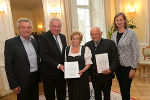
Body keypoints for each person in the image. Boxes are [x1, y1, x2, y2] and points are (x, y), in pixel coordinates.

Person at [4, 18, 40, 100]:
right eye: (23, 27)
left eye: (28, 27)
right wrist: (14, 85)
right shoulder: (10, 43)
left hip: (34, 77)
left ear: (31, 29)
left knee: (35, 97)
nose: (26, 30)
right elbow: (8, 66)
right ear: (18, 29)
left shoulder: (34, 41)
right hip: (21, 80)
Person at [85, 27, 119, 100]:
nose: (94, 36)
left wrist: (110, 70)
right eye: (92, 34)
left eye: (96, 34)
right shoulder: (87, 45)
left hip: (106, 75)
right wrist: (88, 75)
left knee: (107, 95)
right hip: (94, 76)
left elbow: (115, 59)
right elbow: (86, 61)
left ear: (101, 33)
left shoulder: (110, 43)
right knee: (97, 95)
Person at [38, 18, 67, 100]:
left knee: (62, 94)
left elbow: (63, 54)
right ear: (50, 26)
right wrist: (58, 65)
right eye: (54, 26)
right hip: (48, 73)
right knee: (50, 96)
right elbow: (44, 56)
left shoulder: (63, 37)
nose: (57, 28)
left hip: (61, 73)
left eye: (59, 26)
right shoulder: (43, 37)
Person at [112, 12, 139, 100]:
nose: (119, 22)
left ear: (124, 21)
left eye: (121, 20)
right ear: (115, 22)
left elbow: (135, 51)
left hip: (128, 66)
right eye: (117, 20)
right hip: (118, 66)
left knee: (126, 88)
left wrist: (133, 68)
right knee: (122, 88)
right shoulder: (114, 34)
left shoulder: (131, 33)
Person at [65, 31, 92, 100]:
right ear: (71, 39)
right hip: (71, 77)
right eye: (73, 38)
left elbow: (88, 63)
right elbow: (65, 62)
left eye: (77, 38)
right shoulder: (67, 49)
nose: (75, 40)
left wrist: (83, 70)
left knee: (83, 94)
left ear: (80, 40)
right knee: (73, 94)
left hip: (82, 76)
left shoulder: (85, 49)